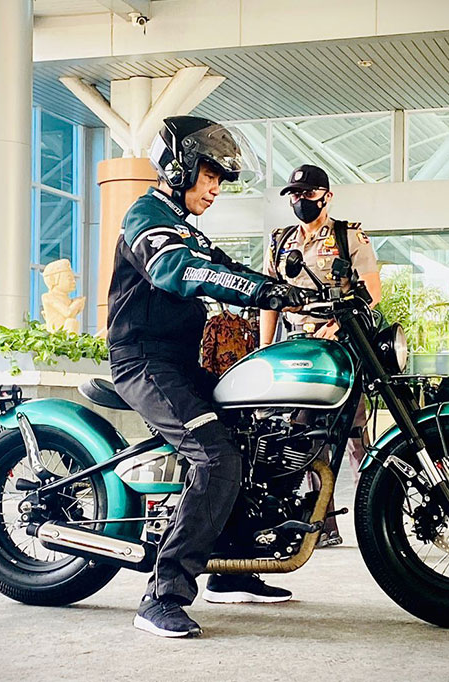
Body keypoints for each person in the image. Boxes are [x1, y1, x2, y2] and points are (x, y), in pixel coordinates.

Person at [107, 116, 311, 638]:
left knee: (249, 439)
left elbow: (226, 267)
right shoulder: (148, 219)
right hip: (144, 362)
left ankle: (228, 566)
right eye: (210, 174)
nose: (216, 186)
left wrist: (287, 289)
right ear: (179, 167)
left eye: (221, 178)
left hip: (181, 361)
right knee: (216, 456)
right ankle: (162, 595)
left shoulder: (186, 227)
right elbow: (179, 270)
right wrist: (260, 293)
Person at [259, 164, 381, 547]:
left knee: (355, 433)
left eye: (308, 194)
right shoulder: (280, 241)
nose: (300, 201)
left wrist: (338, 326)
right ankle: (321, 526)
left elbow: (372, 291)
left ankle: (371, 519)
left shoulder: (348, 236)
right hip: (298, 347)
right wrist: (265, 348)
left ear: (327, 196)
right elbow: (269, 300)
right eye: (294, 195)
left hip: (342, 343)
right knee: (305, 436)